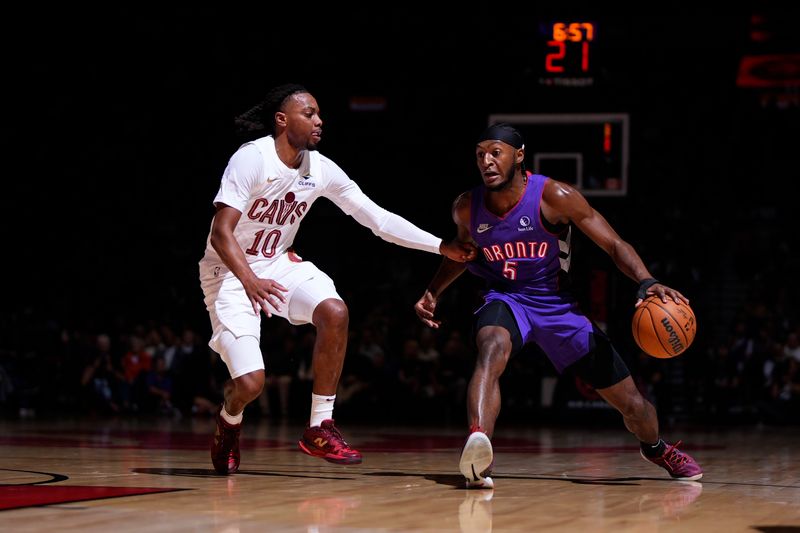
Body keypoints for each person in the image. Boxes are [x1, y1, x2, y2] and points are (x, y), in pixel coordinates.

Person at [199, 83, 476, 475]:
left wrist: (440, 246)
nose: (319, 120)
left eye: (318, 113)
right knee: (250, 385)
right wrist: (248, 280)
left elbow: (377, 219)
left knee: (334, 310)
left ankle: (319, 426)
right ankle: (228, 421)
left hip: (277, 263)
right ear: (282, 120)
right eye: (309, 113)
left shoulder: (321, 169)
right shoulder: (252, 159)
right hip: (228, 273)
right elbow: (220, 233)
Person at [414, 123, 703, 488]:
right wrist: (433, 291)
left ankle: (656, 447)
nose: (486, 161)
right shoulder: (467, 207)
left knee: (634, 405)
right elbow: (461, 253)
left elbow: (613, 244)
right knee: (491, 347)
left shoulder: (555, 196)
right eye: (479, 154)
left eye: (495, 152)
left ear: (519, 156)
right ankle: (478, 449)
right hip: (506, 297)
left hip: (558, 307)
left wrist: (646, 280)